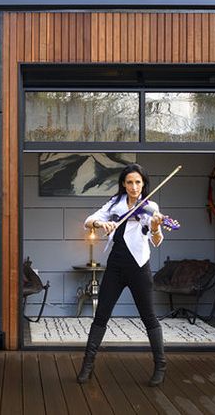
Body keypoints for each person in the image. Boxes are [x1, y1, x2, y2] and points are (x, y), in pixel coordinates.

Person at [76, 163, 167, 386]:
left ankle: (160, 367)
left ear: (143, 183)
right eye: (129, 182)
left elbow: (157, 241)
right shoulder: (114, 203)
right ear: (123, 184)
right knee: (101, 316)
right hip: (115, 266)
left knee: (149, 317)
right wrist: (101, 223)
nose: (134, 187)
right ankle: (87, 366)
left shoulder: (150, 206)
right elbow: (89, 220)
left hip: (139, 267)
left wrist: (155, 227)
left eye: (138, 182)